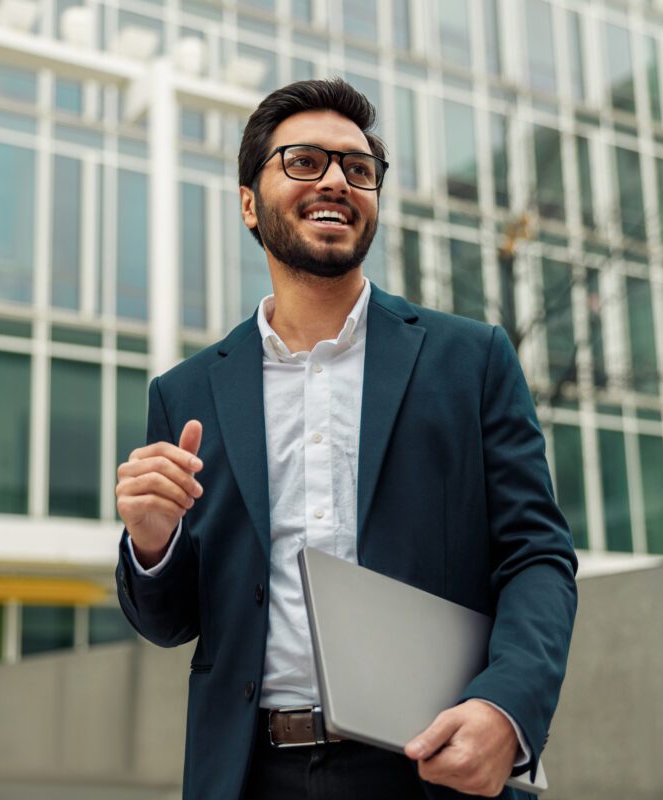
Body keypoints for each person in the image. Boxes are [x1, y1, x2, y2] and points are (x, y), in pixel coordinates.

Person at [115, 78, 577, 800]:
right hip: (246, 775)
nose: (335, 178)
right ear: (248, 203)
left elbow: (537, 556)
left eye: (357, 169)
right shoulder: (187, 394)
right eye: (303, 161)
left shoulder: (472, 359)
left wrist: (505, 708)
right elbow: (170, 623)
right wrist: (151, 545)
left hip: (430, 769)